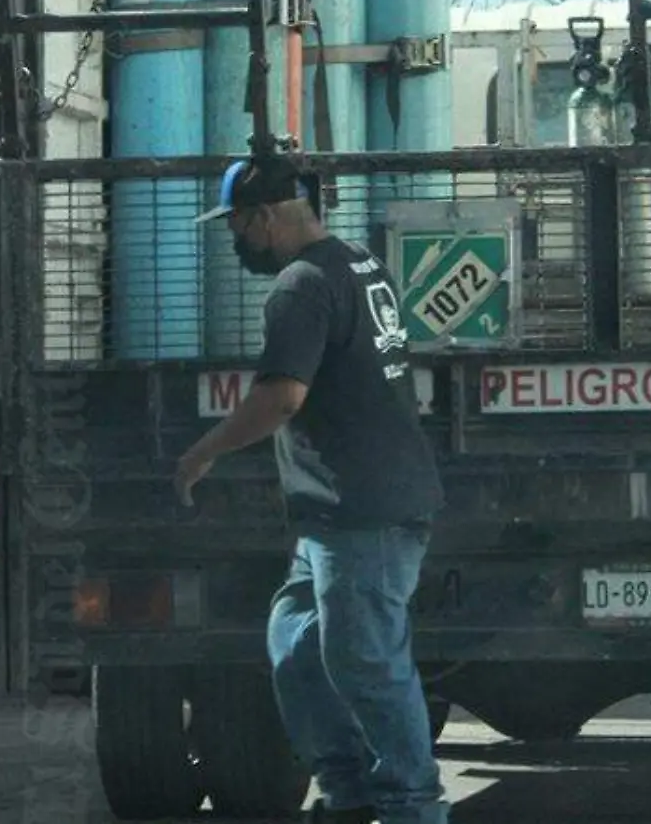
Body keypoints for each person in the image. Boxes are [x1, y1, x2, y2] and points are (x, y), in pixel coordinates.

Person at [175, 154, 448, 824]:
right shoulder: (357, 262)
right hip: (337, 510)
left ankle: (413, 806)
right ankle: (347, 792)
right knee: (295, 643)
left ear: (264, 217)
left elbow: (281, 397)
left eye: (237, 227)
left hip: (362, 508)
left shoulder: (299, 285)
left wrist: (204, 451)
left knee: (368, 664)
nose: (237, 243)